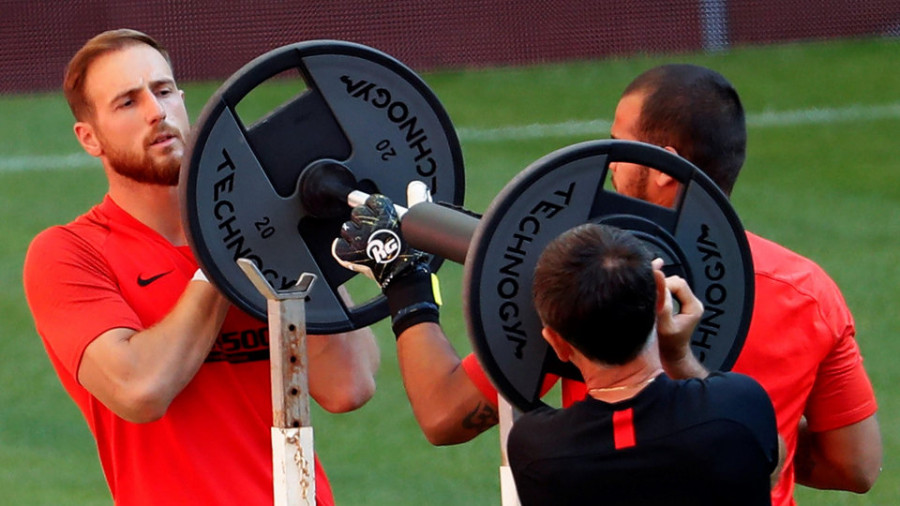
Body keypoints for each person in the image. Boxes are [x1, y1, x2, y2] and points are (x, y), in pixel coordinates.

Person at [335, 64, 882, 505]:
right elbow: (853, 465)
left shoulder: (586, 284)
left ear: (663, 167)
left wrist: (403, 281)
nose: (612, 165)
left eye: (620, 147)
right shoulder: (810, 292)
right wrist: (744, 448)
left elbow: (444, 414)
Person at [23, 29, 379, 506]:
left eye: (164, 90)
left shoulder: (265, 235)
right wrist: (222, 248)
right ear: (90, 138)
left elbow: (349, 386)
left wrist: (291, 235)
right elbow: (141, 390)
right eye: (127, 103)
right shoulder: (68, 254)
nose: (156, 112)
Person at [508, 222, 779, 505]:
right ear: (661, 295)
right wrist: (680, 357)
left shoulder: (536, 449)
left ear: (557, 343)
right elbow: (770, 467)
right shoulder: (738, 406)